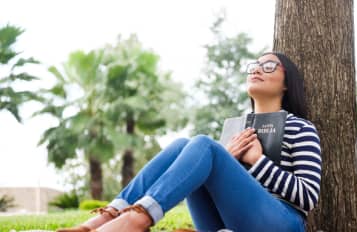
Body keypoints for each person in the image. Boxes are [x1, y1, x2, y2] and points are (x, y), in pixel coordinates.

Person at [57, 52, 321, 232]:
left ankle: (138, 218)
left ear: (287, 83)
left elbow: (308, 197)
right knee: (184, 144)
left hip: (281, 222)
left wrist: (257, 161)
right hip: (225, 220)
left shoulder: (301, 128)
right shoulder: (235, 129)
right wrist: (226, 159)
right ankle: (107, 216)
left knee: (204, 144)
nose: (256, 70)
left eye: (269, 66)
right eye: (253, 66)